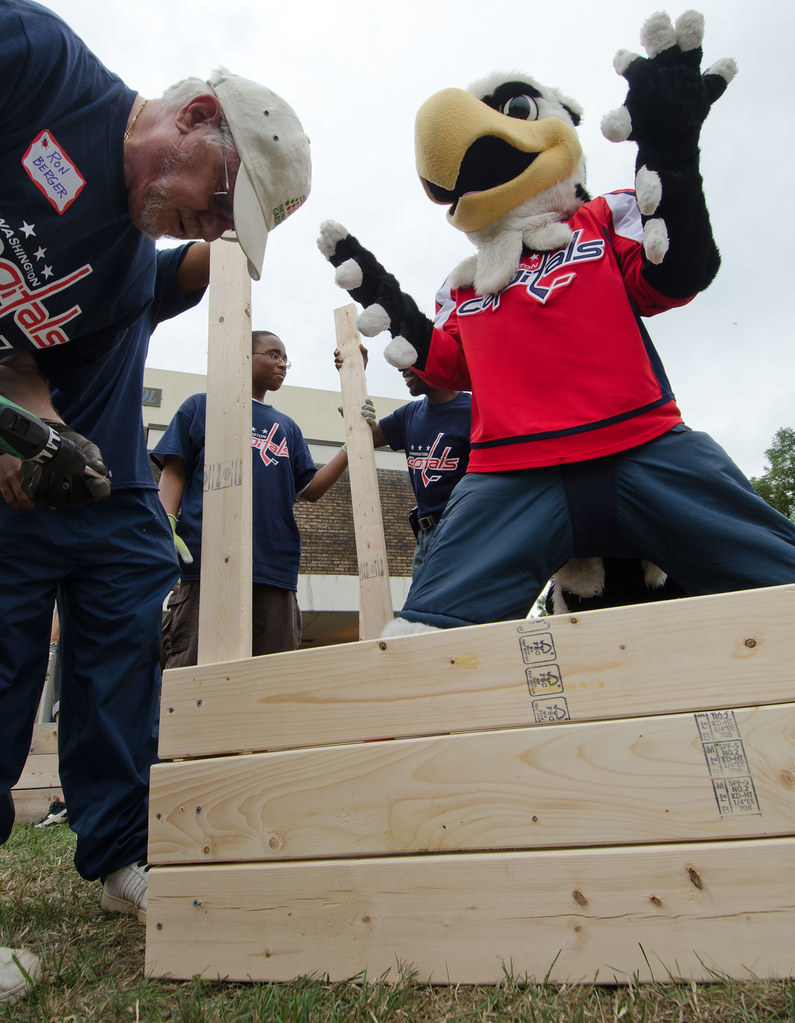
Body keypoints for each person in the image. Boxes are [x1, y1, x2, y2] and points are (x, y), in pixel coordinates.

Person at [0, 244, 209, 999]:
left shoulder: (131, 264)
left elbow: (213, 257)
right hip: (12, 479)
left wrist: (251, 187)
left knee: (120, 680)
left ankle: (121, 853)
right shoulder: (23, 235)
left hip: (116, 498)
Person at [0, 0, 311, 435]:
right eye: (222, 202)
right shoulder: (43, 63)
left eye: (230, 226)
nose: (210, 230)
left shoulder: (129, 284)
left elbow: (17, 368)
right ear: (196, 115)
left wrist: (50, 436)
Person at [154, 331, 350, 666]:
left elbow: (311, 489)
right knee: (193, 672)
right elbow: (174, 471)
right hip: (206, 560)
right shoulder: (202, 405)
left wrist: (353, 444)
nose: (282, 364)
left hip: (274, 564)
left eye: (286, 358)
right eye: (273, 354)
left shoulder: (287, 427)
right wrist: (164, 524)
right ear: (246, 357)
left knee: (273, 677)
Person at [335, 345, 471, 575]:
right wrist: (355, 374)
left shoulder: (475, 411)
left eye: (408, 361)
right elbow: (363, 438)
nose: (401, 370)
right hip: (426, 538)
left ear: (436, 357)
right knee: (420, 609)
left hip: (466, 536)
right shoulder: (408, 415)